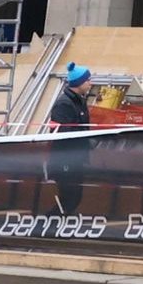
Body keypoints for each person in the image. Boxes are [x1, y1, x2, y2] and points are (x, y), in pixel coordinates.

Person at [46, 63, 95, 213]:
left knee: (74, 197)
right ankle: (48, 225)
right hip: (65, 160)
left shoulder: (79, 101)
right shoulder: (64, 104)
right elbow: (63, 133)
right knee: (69, 197)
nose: (90, 83)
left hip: (76, 159)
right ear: (79, 82)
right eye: (87, 80)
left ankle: (55, 226)